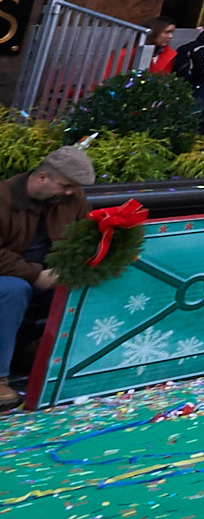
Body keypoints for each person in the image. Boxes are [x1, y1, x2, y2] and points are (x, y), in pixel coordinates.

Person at [0, 144, 90, 408]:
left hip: (52, 274)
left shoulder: (72, 198)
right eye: (65, 186)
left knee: (91, 283)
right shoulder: (3, 198)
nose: (71, 192)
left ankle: (74, 365)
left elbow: (86, 233)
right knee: (13, 290)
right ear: (41, 178)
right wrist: (34, 274)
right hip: (13, 276)